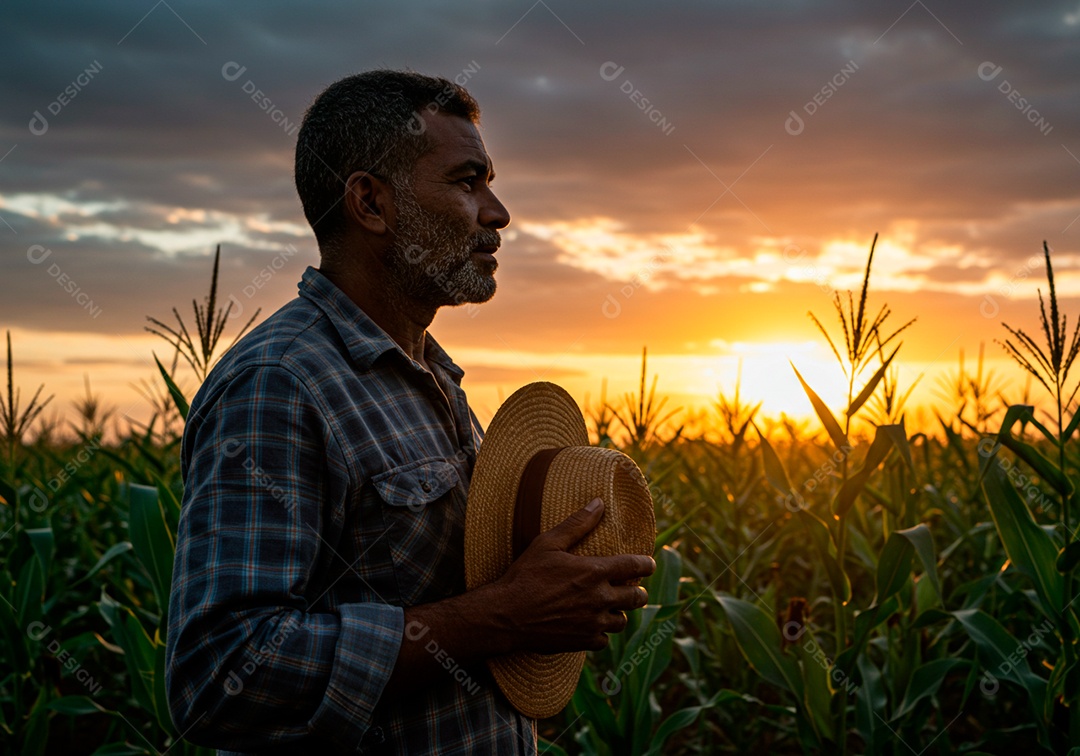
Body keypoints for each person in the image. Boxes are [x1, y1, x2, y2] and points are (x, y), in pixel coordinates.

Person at [165, 69, 656, 755]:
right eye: (466, 180)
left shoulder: (432, 373)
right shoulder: (280, 385)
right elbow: (219, 676)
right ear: (371, 202)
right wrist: (501, 620)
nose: (498, 212)